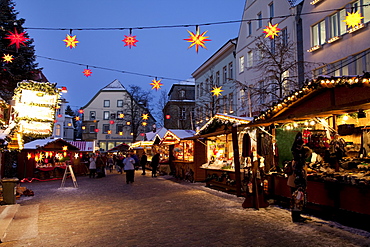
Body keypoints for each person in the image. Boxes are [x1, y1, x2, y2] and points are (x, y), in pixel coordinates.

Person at [287, 132, 312, 223]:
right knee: (296, 199)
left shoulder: (298, 160)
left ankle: (297, 215)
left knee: (298, 199)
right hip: (295, 183)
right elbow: (298, 171)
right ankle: (296, 217)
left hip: (294, 183)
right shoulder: (298, 161)